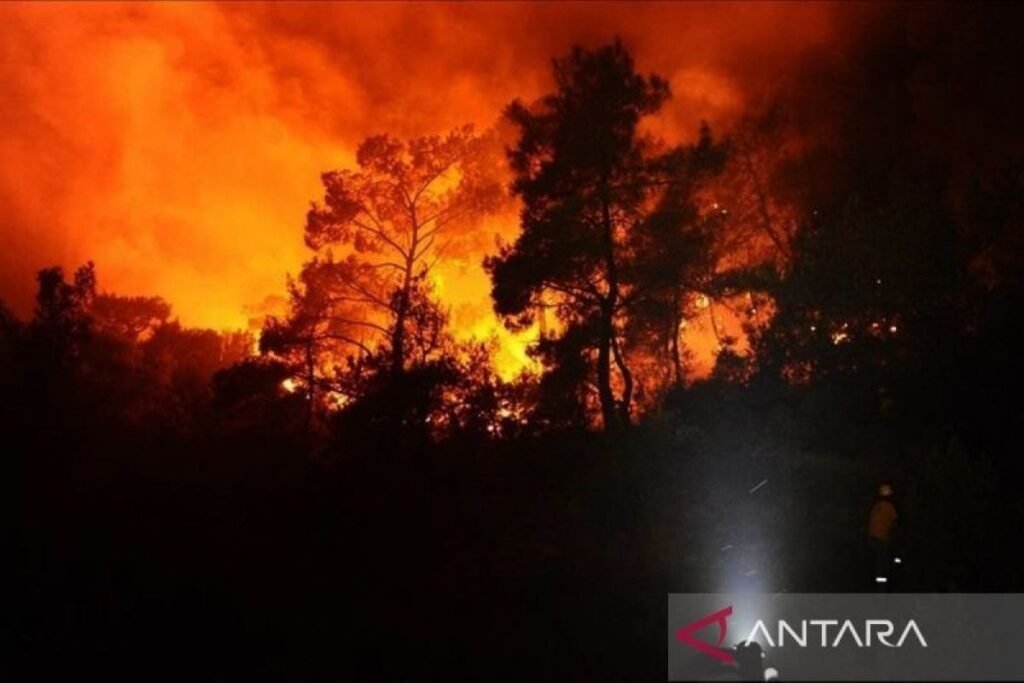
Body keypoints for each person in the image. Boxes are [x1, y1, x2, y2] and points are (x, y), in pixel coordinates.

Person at [868, 483, 899, 587]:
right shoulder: (889, 507)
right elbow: (894, 523)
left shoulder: (876, 507)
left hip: (873, 537)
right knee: (882, 563)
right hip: (882, 538)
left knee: (876, 560)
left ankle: (875, 581)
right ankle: (882, 586)